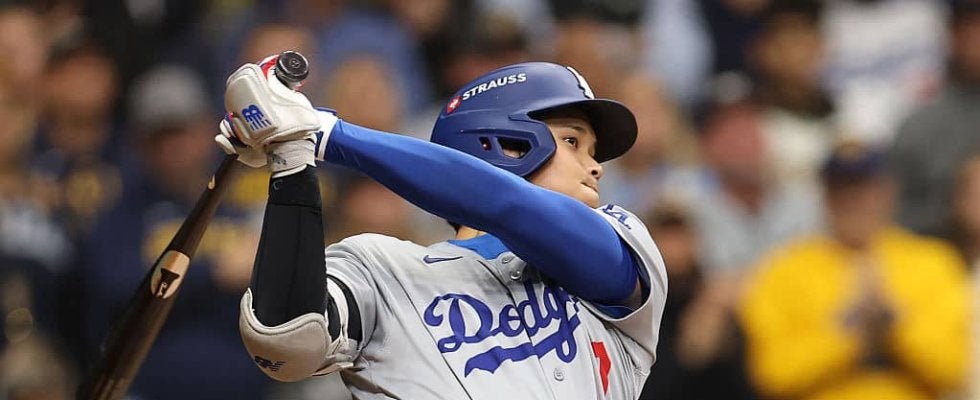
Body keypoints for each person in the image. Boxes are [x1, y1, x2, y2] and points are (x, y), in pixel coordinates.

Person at [216, 55, 667, 399]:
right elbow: (287, 340)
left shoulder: (621, 237)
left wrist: (325, 133)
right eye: (573, 141)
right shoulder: (382, 267)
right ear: (506, 145)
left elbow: (509, 206)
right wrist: (291, 158)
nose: (596, 167)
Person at [738, 143, 968, 400]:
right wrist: (848, 335)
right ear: (824, 196)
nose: (852, 201)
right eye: (840, 190)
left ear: (888, 191)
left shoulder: (931, 262)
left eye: (862, 189)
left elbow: (955, 368)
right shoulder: (785, 268)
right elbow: (771, 374)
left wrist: (895, 323)